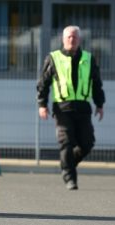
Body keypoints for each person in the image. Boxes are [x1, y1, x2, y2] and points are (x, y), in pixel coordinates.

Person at [36, 25, 105, 190]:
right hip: (62, 108)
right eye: (69, 37)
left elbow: (96, 84)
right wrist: (42, 104)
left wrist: (100, 104)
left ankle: (67, 164)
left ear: (79, 39)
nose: (72, 40)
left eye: (75, 37)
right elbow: (43, 84)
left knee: (87, 143)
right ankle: (69, 177)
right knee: (66, 142)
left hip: (83, 108)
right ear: (63, 39)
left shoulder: (89, 58)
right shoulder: (53, 58)